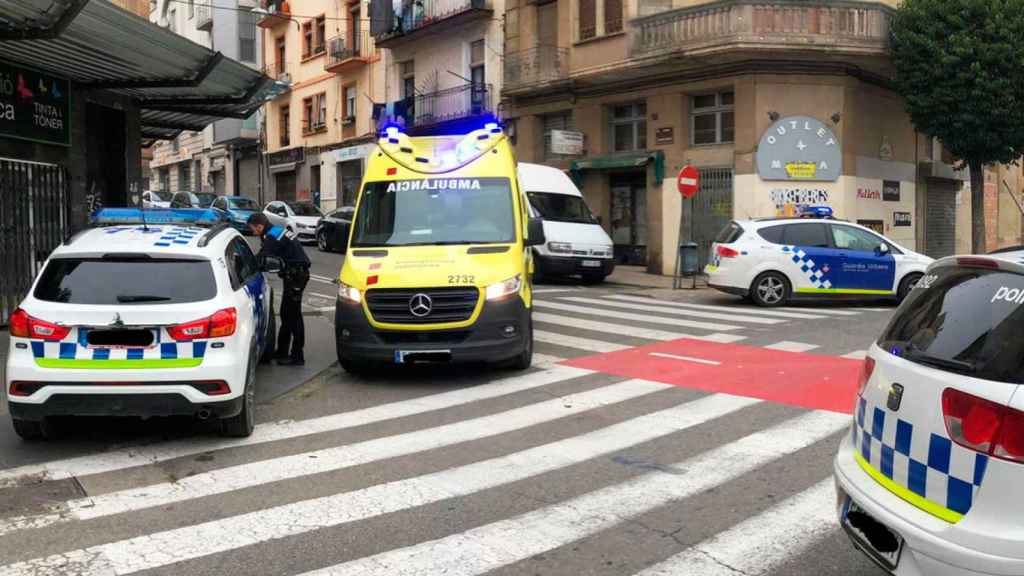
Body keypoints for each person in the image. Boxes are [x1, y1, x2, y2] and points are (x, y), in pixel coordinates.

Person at [247, 213, 310, 366]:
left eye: (253, 229)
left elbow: (262, 258)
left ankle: (297, 356)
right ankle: (282, 351)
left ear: (260, 226)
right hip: (296, 274)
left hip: (296, 276)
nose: (253, 233)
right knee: (286, 314)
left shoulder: (271, 237)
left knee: (293, 316)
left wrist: (245, 265)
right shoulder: (275, 231)